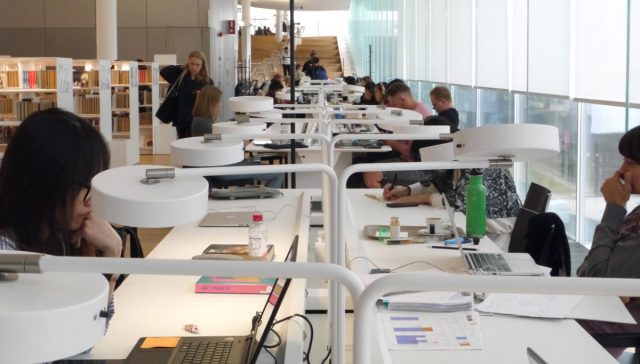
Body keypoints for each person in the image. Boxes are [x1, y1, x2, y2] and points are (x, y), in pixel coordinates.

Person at [0, 108, 122, 331]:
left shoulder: (61, 235)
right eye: (86, 187)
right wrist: (110, 259)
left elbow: (94, 329)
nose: (92, 201)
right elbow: (80, 335)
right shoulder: (7, 256)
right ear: (45, 184)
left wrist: (108, 254)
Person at [576, 125, 640, 359]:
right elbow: (587, 270)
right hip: (589, 314)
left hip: (595, 333)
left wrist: (614, 208)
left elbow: (596, 278)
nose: (621, 170)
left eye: (631, 163)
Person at [190, 86, 284, 188]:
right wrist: (243, 122)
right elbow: (223, 136)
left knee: (264, 167)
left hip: (223, 165)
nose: (220, 105)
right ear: (210, 104)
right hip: (223, 168)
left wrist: (246, 119)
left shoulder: (201, 121)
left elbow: (225, 128)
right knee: (278, 173)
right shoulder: (202, 124)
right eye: (218, 102)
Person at [382, 168, 521, 219]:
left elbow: (459, 203)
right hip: (468, 225)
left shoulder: (481, 169)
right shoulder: (454, 165)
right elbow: (436, 182)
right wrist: (406, 190)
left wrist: (424, 198)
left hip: (494, 232)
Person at [160, 50, 213, 139]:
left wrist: (202, 97)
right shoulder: (181, 77)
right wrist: (181, 67)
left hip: (197, 120)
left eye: (197, 65)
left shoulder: (207, 82)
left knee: (193, 144)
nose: (194, 67)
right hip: (181, 118)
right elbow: (164, 72)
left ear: (202, 65)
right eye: (192, 64)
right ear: (188, 62)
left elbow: (211, 103)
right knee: (182, 142)